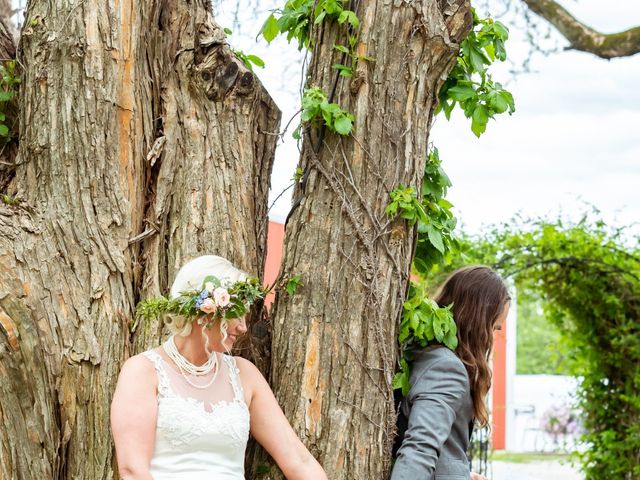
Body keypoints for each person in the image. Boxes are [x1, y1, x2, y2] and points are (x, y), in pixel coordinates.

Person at [111, 255, 328, 480]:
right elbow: (133, 472)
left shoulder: (244, 375)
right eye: (235, 314)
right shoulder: (143, 371)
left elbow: (298, 459)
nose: (243, 327)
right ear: (204, 312)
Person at [391, 266, 511, 480]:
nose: (494, 338)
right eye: (494, 327)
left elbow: (443, 449)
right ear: (477, 321)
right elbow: (420, 449)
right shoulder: (446, 368)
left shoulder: (424, 354)